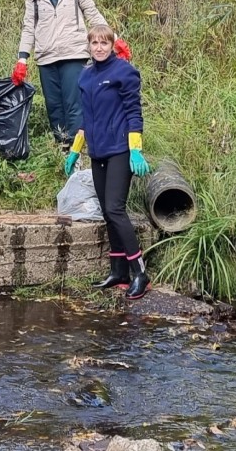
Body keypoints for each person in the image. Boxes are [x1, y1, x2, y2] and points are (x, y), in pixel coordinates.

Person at [11, 0, 130, 150]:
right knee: (54, 106)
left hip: (73, 53)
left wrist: (115, 40)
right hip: (46, 57)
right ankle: (62, 148)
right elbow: (28, 28)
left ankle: (77, 150)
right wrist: (22, 59)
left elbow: (93, 15)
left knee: (73, 103)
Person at [63, 24, 151, 300]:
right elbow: (85, 118)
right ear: (88, 46)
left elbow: (134, 113)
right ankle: (118, 271)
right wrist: (76, 150)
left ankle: (139, 273)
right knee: (106, 211)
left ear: (112, 45)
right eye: (95, 43)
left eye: (104, 43)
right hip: (98, 151)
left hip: (120, 150)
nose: (99, 48)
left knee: (115, 209)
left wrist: (135, 149)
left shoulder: (124, 72)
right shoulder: (86, 77)